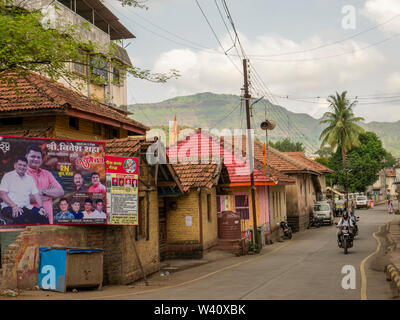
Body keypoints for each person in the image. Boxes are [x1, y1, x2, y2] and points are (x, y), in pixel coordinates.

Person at [0, 156, 48, 225]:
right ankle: (20, 235)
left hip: (26, 207)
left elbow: (36, 194)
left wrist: (41, 207)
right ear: (15, 165)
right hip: (9, 207)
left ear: (26, 167)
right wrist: (14, 206)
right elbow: (2, 194)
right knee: (19, 215)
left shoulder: (29, 179)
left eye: (24, 165)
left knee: (43, 216)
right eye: (20, 165)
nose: (22, 167)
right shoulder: (8, 176)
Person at [25, 144, 64, 224]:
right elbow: (21, 198)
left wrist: (43, 192)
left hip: (48, 220)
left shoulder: (47, 174)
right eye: (33, 156)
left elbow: (60, 191)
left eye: (38, 157)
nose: (36, 159)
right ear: (26, 157)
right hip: (30, 220)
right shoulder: (22, 174)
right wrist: (50, 194)